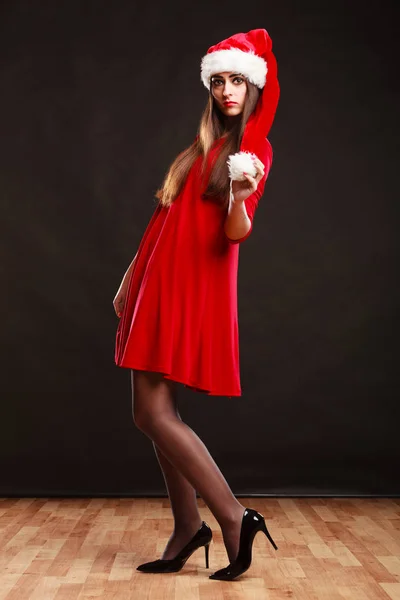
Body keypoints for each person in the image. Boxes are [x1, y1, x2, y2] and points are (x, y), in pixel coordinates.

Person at [112, 29, 280, 581]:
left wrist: (237, 196)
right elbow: (165, 219)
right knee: (153, 415)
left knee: (153, 413)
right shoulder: (201, 144)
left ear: (253, 86)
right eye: (219, 81)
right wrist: (130, 276)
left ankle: (232, 517)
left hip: (192, 285)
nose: (227, 90)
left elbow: (235, 232)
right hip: (158, 280)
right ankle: (188, 527)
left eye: (237, 80)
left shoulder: (252, 150)